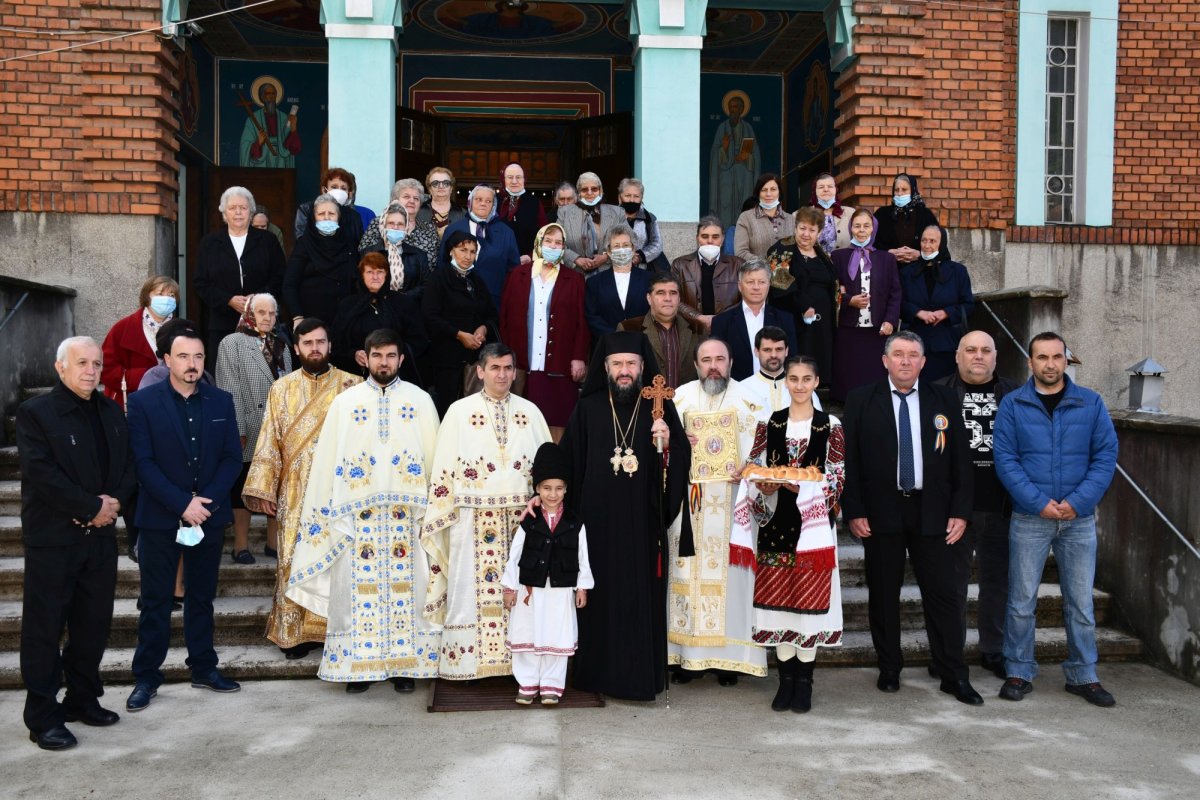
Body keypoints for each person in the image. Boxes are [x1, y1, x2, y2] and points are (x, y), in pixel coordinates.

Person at [286, 329, 441, 693]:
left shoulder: (420, 401)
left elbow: (434, 460)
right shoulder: (346, 402)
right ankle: (359, 667)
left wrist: (433, 512)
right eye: (377, 356)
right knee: (357, 592)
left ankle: (406, 667)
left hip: (406, 517)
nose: (383, 362)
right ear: (364, 358)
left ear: (401, 359)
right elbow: (326, 461)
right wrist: (325, 510)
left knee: (410, 591)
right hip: (358, 520)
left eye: (390, 355)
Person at [841, 331, 980, 705]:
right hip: (881, 512)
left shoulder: (944, 398)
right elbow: (849, 461)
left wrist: (960, 511)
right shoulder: (860, 400)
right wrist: (853, 510)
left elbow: (960, 460)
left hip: (933, 511)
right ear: (885, 361)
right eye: (898, 354)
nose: (905, 361)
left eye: (913, 355)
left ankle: (953, 673)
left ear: (923, 361)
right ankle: (890, 667)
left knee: (944, 596)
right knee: (883, 595)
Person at [17, 337, 136, 750]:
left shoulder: (111, 411)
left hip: (100, 539)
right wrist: (88, 506)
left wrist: (111, 505)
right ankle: (43, 717)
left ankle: (82, 700)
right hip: (53, 540)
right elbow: (41, 473)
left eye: (97, 363)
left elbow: (127, 464)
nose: (91, 370)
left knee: (92, 626)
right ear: (60, 367)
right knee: (44, 630)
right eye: (81, 363)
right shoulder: (36, 413)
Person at [560, 331, 690, 700]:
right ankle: (595, 675)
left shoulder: (659, 406)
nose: (624, 371)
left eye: (631, 363)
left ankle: (637, 679)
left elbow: (681, 459)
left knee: (638, 597)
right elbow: (569, 461)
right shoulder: (589, 408)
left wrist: (667, 449)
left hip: (641, 522)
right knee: (599, 600)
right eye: (617, 364)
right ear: (604, 367)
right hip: (597, 525)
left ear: (643, 367)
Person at [993, 332, 1119, 707]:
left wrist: (1078, 502)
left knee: (1080, 602)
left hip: (1078, 520)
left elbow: (1105, 456)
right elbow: (1006, 460)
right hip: (1030, 516)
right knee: (1020, 601)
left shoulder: (1091, 403)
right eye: (1042, 357)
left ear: (1067, 360)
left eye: (1056, 357)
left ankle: (1084, 675)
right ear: (1030, 363)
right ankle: (1018, 670)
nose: (1050, 364)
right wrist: (1039, 502)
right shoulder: (1014, 405)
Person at [125, 326, 244, 713]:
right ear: (166, 360)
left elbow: (231, 458)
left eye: (198, 357)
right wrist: (182, 504)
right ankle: (146, 677)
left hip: (207, 516)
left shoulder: (221, 401)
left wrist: (203, 504)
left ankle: (204, 668)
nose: (191, 364)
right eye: (183, 357)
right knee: (157, 600)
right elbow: (143, 463)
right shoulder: (142, 403)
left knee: (201, 597)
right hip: (161, 518)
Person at [420, 344, 552, 681]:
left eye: (508, 368)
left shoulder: (531, 411)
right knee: (469, 592)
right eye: (495, 368)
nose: (503, 375)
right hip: (472, 520)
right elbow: (443, 467)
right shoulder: (459, 412)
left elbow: (547, 468)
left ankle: (520, 663)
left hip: (521, 521)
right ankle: (469, 664)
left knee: (523, 591)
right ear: (480, 371)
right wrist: (443, 512)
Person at [243, 317, 361, 660]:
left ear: (330, 346)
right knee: (293, 560)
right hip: (295, 492)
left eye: (320, 342)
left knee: (337, 560)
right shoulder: (281, 388)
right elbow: (269, 441)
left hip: (340, 491)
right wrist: (265, 489)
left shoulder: (351, 386)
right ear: (296, 349)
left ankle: (335, 630)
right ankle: (294, 633)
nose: (315, 349)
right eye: (307, 343)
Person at [743, 355, 845, 712]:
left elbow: (836, 477)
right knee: (779, 608)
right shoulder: (768, 423)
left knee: (808, 608)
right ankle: (784, 681)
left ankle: (804, 684)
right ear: (785, 382)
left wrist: (800, 487)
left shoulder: (829, 425)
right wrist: (764, 487)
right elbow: (753, 469)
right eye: (793, 378)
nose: (799, 385)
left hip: (813, 531)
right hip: (776, 527)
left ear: (816, 382)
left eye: (806, 378)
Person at [667, 339, 767, 685]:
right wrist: (677, 447)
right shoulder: (677, 399)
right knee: (684, 577)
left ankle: (729, 660)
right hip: (688, 506)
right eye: (706, 359)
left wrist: (750, 467)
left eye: (720, 359)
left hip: (733, 504)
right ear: (695, 365)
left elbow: (766, 450)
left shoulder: (752, 402)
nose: (713, 366)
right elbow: (659, 449)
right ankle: (683, 656)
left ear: (731, 362)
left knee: (734, 584)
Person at [935, 330, 1019, 679]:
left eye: (986, 350)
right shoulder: (937, 392)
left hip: (1001, 505)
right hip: (954, 510)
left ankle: (993, 650)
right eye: (971, 350)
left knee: (997, 583)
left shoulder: (1015, 394)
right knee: (950, 586)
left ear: (996, 357)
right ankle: (949, 655)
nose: (978, 356)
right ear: (958, 355)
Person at [502, 442, 594, 705]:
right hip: (530, 589)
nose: (552, 494)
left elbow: (583, 557)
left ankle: (552, 685)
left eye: (558, 488)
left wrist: (582, 587)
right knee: (528, 633)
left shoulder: (575, 523)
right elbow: (515, 556)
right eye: (546, 488)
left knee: (557, 633)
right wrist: (509, 588)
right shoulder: (528, 522)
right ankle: (528, 683)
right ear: (537, 489)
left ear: (566, 489)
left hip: (561, 590)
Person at [215, 294, 293, 565]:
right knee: (242, 486)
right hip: (247, 427)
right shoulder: (231, 343)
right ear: (249, 313)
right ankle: (240, 546)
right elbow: (228, 387)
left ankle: (273, 544)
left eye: (272, 313)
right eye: (261, 312)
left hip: (277, 428)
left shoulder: (282, 343)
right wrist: (236, 427)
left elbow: (290, 388)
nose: (267, 318)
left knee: (275, 485)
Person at [499, 222, 589, 440]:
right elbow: (505, 318)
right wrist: (507, 357)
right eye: (548, 241)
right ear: (539, 243)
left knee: (557, 427)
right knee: (520, 426)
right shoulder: (517, 275)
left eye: (558, 243)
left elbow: (582, 322)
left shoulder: (574, 279)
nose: (553, 246)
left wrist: (578, 357)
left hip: (559, 365)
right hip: (522, 365)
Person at [193, 185, 286, 359]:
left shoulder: (268, 241)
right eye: (232, 208)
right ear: (224, 213)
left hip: (262, 322)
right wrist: (228, 300)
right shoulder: (209, 243)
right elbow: (201, 282)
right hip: (222, 322)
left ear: (251, 213)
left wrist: (257, 298)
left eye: (243, 208)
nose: (238, 212)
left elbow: (280, 276)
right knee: (225, 376)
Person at [422, 230, 499, 416]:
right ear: (451, 251)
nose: (468, 256)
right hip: (445, 358)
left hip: (473, 359)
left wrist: (483, 328)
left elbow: (491, 314)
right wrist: (459, 334)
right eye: (463, 250)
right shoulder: (438, 279)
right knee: (447, 410)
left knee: (474, 412)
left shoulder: (477, 280)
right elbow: (429, 316)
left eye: (473, 252)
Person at [831, 209, 902, 402]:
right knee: (849, 379)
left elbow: (895, 292)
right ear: (850, 228)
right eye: (857, 225)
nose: (861, 230)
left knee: (874, 381)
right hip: (849, 329)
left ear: (874, 228)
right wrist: (848, 301)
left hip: (877, 330)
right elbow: (831, 290)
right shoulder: (838, 257)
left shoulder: (886, 258)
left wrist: (890, 320)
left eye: (866, 225)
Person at [332, 252, 429, 384]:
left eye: (380, 271)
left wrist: (393, 356)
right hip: (356, 376)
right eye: (370, 272)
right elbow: (336, 343)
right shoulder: (347, 305)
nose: (375, 277)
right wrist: (354, 354)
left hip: (398, 376)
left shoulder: (404, 303)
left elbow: (419, 340)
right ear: (362, 275)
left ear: (387, 275)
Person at [767, 207, 838, 387]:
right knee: (799, 358)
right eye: (802, 228)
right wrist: (804, 306)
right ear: (795, 228)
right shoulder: (782, 249)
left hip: (823, 320)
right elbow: (780, 282)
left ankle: (819, 393)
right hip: (793, 317)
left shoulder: (822, 254)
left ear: (819, 232)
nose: (806, 234)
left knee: (820, 359)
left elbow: (832, 281)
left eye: (812, 230)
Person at [899, 225, 976, 381]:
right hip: (915, 343)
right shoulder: (907, 272)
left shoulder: (958, 271)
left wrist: (946, 313)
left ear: (942, 244)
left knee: (943, 391)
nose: (927, 245)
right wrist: (918, 312)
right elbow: (898, 303)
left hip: (946, 343)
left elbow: (968, 304)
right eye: (924, 240)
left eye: (933, 241)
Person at [710, 259, 798, 381]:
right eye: (750, 282)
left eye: (762, 282)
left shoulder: (784, 319)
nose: (756, 287)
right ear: (740, 286)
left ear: (769, 285)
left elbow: (792, 359)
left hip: (774, 389)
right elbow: (717, 361)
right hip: (736, 389)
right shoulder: (721, 322)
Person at [101, 276, 179, 410]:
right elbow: (105, 368)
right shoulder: (122, 328)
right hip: (131, 403)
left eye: (171, 295)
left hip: (173, 403)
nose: (166, 299)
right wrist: (146, 376)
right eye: (160, 294)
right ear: (147, 296)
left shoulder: (182, 329)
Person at [284, 192, 360, 331]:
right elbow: (289, 284)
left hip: (345, 321)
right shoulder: (304, 245)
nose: (326, 218)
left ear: (339, 217)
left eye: (331, 214)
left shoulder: (349, 244)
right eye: (321, 214)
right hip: (310, 323)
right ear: (313, 218)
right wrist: (297, 317)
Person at [440, 184, 521, 309]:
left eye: (488, 201)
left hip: (493, 302)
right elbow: (442, 265)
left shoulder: (506, 233)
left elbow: (513, 271)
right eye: (478, 199)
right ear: (470, 202)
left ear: (493, 205)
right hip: (456, 301)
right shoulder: (453, 230)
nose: (483, 203)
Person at [619, 272, 698, 390]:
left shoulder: (697, 328)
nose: (668, 298)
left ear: (679, 298)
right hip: (645, 404)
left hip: (687, 405)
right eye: (661, 293)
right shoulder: (628, 328)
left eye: (673, 293)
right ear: (649, 298)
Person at [671, 215, 743, 334]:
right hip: (692, 330)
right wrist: (698, 317)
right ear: (697, 238)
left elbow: (746, 298)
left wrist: (719, 319)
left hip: (729, 328)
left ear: (723, 238)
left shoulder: (738, 265)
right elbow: (674, 298)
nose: (710, 241)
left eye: (715, 237)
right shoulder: (680, 264)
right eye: (705, 236)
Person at [737, 326, 822, 418]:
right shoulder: (743, 388)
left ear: (786, 351)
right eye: (767, 350)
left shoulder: (802, 389)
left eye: (779, 349)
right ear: (756, 352)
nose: (773, 355)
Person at [584, 225, 651, 340]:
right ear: (609, 251)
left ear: (633, 249)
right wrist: (614, 337)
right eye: (616, 246)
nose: (621, 250)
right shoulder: (594, 283)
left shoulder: (649, 279)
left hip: (643, 342)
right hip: (607, 345)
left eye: (625, 245)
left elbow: (654, 311)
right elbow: (592, 316)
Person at [360, 178, 442, 267]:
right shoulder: (379, 223)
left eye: (416, 198)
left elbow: (437, 261)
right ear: (395, 200)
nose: (412, 201)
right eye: (406, 197)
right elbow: (365, 255)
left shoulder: (429, 228)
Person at [357, 201, 430, 298]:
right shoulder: (368, 253)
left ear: (406, 227)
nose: (395, 227)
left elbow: (426, 285)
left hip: (408, 307)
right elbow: (360, 284)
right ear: (383, 225)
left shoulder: (419, 255)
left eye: (400, 224)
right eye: (391, 223)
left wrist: (403, 298)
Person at [557, 172, 625, 275]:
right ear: (579, 193)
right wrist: (576, 259)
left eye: (594, 189)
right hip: (575, 274)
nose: (589, 193)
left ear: (601, 191)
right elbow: (557, 242)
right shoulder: (565, 212)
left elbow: (629, 241)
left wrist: (606, 257)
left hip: (608, 274)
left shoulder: (617, 212)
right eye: (584, 189)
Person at [873, 172, 947, 266]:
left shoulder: (925, 215)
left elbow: (938, 244)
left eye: (904, 190)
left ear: (912, 190)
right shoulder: (882, 214)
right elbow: (872, 243)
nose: (900, 193)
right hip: (889, 270)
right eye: (896, 190)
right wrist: (888, 252)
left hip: (918, 272)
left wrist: (920, 254)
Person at [709, 92, 759, 228]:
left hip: (744, 172)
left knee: (744, 203)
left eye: (736, 106)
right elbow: (715, 154)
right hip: (726, 173)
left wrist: (746, 157)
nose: (732, 109)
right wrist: (723, 149)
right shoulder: (722, 128)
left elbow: (755, 154)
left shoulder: (748, 128)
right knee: (725, 204)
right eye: (730, 107)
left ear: (742, 109)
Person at [293, 167, 370, 245]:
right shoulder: (307, 210)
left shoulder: (354, 216)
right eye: (334, 187)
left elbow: (358, 245)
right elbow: (301, 239)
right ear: (324, 190)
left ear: (349, 193)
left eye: (343, 188)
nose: (339, 191)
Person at [238, 81, 299, 168]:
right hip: (262, 163)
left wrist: (293, 129)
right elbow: (245, 146)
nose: (271, 96)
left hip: (280, 161)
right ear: (262, 97)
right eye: (268, 94)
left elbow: (292, 147)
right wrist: (258, 142)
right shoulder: (252, 120)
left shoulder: (284, 118)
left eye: (273, 93)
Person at [734, 173, 794, 261]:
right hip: (756, 272)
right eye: (764, 190)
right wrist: (765, 265)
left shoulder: (791, 219)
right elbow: (740, 252)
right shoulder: (745, 218)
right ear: (758, 193)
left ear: (779, 192)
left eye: (773, 189)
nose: (768, 194)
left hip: (788, 274)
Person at [494, 162, 547, 256]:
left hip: (526, 263)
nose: (514, 181)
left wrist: (531, 256)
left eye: (518, 177)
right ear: (503, 180)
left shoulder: (534, 202)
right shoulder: (493, 200)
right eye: (510, 177)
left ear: (524, 179)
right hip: (498, 260)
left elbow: (544, 234)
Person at [617, 177, 667, 271]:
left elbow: (657, 243)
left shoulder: (650, 218)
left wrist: (639, 256)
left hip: (644, 270)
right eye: (627, 195)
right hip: (617, 268)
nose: (632, 200)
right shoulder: (612, 217)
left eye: (636, 196)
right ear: (620, 197)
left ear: (642, 197)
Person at [808, 172, 855, 253]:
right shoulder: (800, 215)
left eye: (830, 186)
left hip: (842, 263)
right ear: (814, 191)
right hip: (812, 264)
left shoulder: (850, 213)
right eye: (821, 187)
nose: (826, 190)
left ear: (836, 190)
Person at [417, 166, 465, 241]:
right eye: (435, 183)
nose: (441, 186)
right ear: (429, 189)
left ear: (451, 188)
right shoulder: (418, 212)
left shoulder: (463, 214)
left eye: (446, 183)